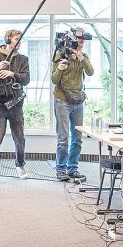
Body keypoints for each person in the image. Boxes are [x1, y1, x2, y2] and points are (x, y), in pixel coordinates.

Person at [0, 29, 31, 185]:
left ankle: (20, 166)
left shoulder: (23, 59)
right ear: (8, 40)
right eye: (16, 39)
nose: (19, 42)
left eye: (20, 39)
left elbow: (26, 79)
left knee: (19, 137)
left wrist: (13, 74)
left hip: (16, 103)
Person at [51, 28, 94, 182]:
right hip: (62, 99)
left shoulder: (83, 57)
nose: (81, 42)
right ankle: (61, 170)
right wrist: (60, 69)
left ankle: (72, 169)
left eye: (83, 40)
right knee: (63, 137)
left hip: (78, 101)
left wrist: (81, 57)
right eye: (78, 39)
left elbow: (91, 72)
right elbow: (54, 80)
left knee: (77, 138)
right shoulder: (60, 54)